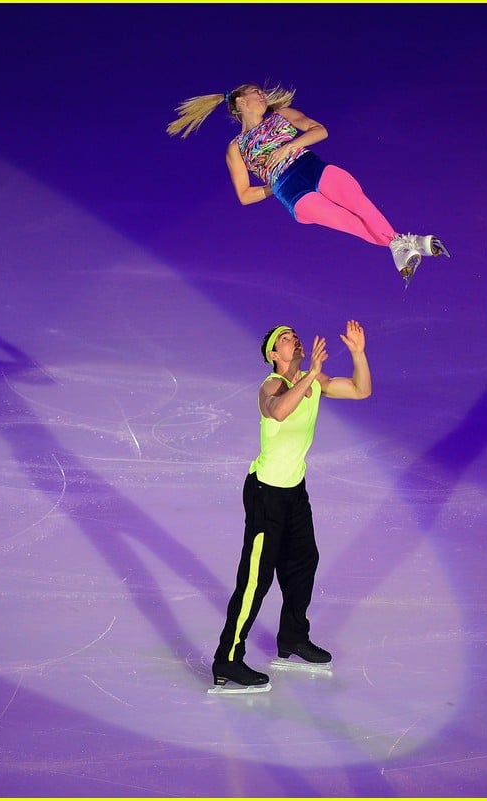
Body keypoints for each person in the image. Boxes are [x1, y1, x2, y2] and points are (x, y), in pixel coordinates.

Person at [211, 320, 373, 690]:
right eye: (284, 339)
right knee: (255, 581)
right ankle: (228, 660)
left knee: (304, 562)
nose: (293, 339)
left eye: (294, 336)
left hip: (294, 492)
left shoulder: (313, 382)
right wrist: (312, 373)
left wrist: (358, 354)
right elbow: (279, 411)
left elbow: (362, 390)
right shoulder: (272, 385)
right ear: (273, 355)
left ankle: (293, 637)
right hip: (266, 494)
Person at [167, 84, 448, 284]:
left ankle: (404, 245)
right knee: (350, 224)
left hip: (311, 166)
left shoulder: (283, 115)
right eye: (255, 91)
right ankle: (407, 244)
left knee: (358, 202)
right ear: (240, 101)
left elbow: (320, 131)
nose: (262, 94)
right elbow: (244, 195)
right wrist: (273, 185)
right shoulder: (235, 148)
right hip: (291, 192)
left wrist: (290, 147)